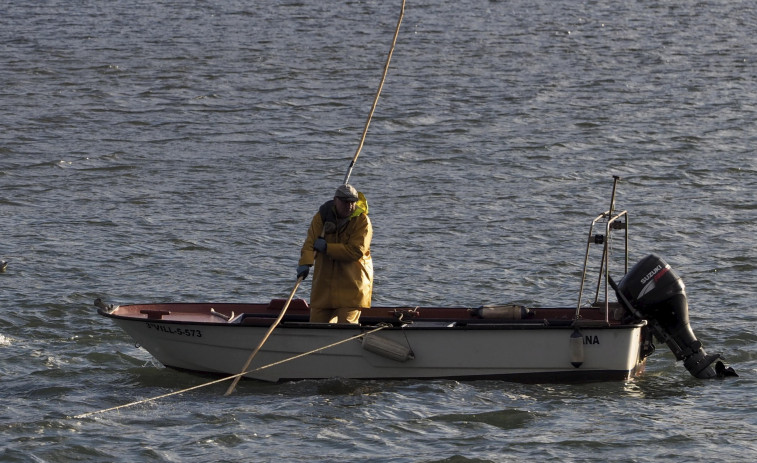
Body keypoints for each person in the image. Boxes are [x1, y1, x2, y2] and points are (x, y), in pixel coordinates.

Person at [297, 184, 373, 324]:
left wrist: (327, 248)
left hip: (352, 285)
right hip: (324, 286)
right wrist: (305, 263)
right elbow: (310, 242)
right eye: (345, 202)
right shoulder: (322, 217)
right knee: (316, 325)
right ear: (335, 200)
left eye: (352, 202)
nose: (349, 206)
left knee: (346, 326)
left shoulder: (362, 221)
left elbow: (356, 251)